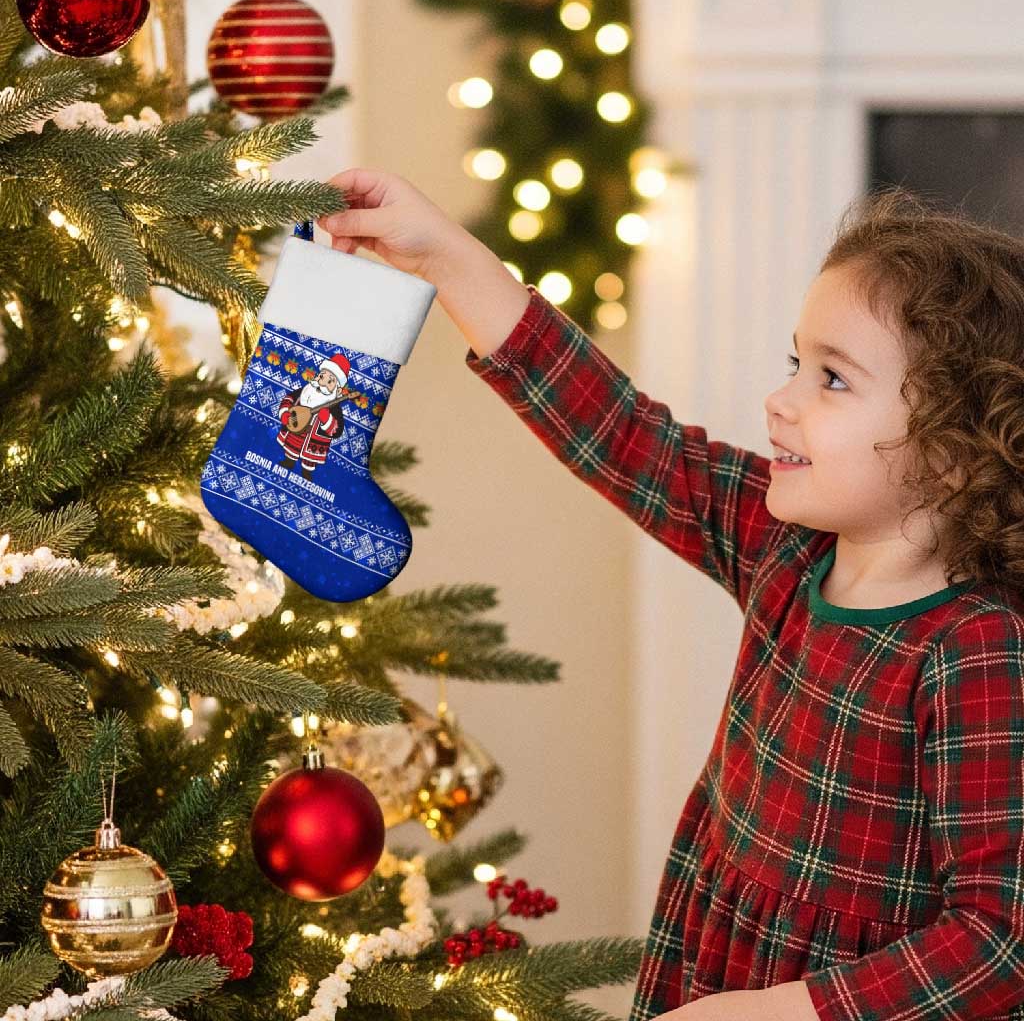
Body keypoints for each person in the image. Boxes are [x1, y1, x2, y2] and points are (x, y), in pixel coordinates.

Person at [316, 170, 1024, 1021]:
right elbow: (621, 433)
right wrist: (451, 259)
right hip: (714, 962)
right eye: (797, 364)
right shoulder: (786, 549)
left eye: (832, 380)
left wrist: (779, 1012)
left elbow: (998, 938)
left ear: (956, 452)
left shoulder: (978, 650)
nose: (782, 400)